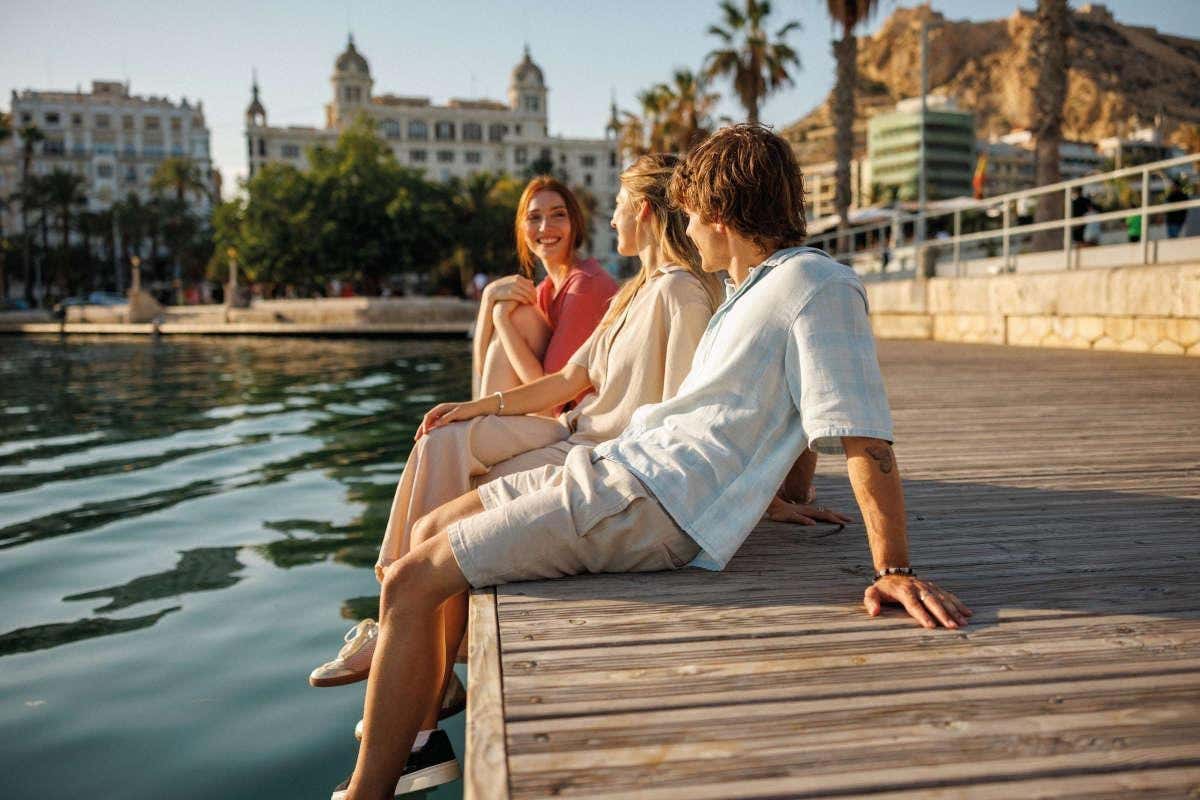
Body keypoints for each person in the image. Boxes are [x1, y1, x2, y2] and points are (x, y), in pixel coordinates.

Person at [329, 126, 969, 800]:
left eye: (692, 214)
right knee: (432, 529)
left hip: (649, 501)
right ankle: (421, 741)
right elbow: (774, 420)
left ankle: (370, 789)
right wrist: (779, 495)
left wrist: (893, 569)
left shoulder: (817, 285)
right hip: (621, 468)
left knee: (408, 580)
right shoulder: (749, 291)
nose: (688, 229)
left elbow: (862, 435)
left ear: (721, 215)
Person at [310, 155, 843, 693]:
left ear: (641, 210)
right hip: (574, 430)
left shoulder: (682, 294)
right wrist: (478, 405)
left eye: (615, 206)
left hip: (609, 452)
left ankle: (418, 631)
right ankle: (395, 606)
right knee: (445, 437)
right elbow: (570, 376)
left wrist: (768, 500)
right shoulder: (634, 291)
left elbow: (702, 412)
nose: (610, 221)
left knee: (465, 492)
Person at [470, 176, 617, 401]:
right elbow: (485, 372)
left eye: (558, 214)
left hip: (580, 421)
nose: (545, 227)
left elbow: (551, 400)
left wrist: (501, 319)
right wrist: (489, 301)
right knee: (512, 311)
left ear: (574, 223)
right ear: (522, 228)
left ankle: (483, 428)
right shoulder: (545, 290)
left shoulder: (585, 284)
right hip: (549, 412)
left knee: (516, 315)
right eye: (534, 217)